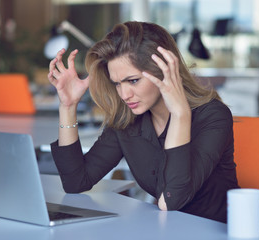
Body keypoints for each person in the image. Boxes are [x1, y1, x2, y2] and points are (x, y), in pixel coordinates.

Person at [48, 21, 239, 223]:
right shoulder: (128, 120)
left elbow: (172, 201)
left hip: (216, 230)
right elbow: (76, 182)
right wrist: (68, 107)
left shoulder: (213, 116)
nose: (124, 94)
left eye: (133, 80)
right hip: (165, 230)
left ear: (164, 70)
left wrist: (180, 114)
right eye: (117, 84)